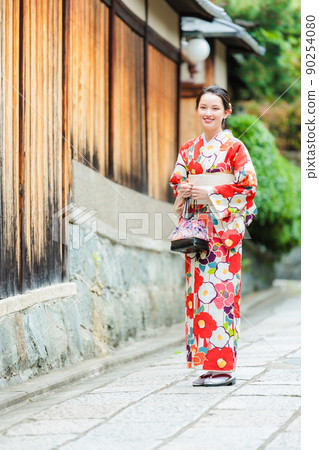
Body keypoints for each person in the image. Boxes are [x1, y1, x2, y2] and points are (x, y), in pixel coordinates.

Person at [169, 85, 258, 387]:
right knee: (198, 297)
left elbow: (248, 188)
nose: (208, 113)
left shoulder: (235, 149)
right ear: (197, 110)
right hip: (197, 232)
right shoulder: (188, 149)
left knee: (221, 296)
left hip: (223, 232)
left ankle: (224, 368)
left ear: (226, 112)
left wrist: (211, 191)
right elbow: (177, 181)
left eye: (215, 108)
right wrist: (184, 190)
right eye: (203, 107)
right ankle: (206, 365)